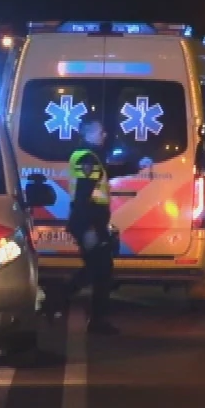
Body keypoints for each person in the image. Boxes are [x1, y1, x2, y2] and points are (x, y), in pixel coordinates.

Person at [46, 115, 147, 335]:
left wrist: (137, 166)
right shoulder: (87, 158)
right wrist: (90, 229)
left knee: (97, 269)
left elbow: (110, 172)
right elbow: (83, 195)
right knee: (101, 270)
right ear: (88, 133)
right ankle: (71, 307)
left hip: (90, 222)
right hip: (88, 222)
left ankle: (59, 300)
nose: (105, 134)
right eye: (100, 131)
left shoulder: (90, 157)